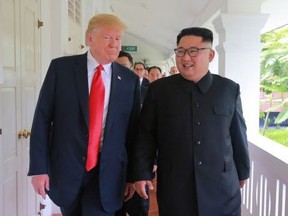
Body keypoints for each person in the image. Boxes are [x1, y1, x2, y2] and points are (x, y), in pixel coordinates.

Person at [28, 14, 141, 216]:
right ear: (90, 39)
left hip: (107, 173)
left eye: (118, 39)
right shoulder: (61, 69)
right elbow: (42, 119)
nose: (114, 44)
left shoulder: (130, 81)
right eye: (108, 37)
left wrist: (133, 175)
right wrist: (38, 168)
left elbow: (132, 133)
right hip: (66, 168)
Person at [133, 27, 250, 216]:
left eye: (193, 51)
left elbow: (238, 134)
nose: (185, 58)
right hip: (176, 186)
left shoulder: (228, 89)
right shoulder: (159, 91)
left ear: (210, 55)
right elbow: (146, 135)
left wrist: (243, 170)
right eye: (180, 51)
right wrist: (141, 173)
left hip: (221, 187)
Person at [115, 51, 151, 216]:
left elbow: (151, 130)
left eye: (123, 67)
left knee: (139, 207)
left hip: (137, 163)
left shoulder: (146, 93)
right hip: (112, 165)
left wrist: (153, 160)